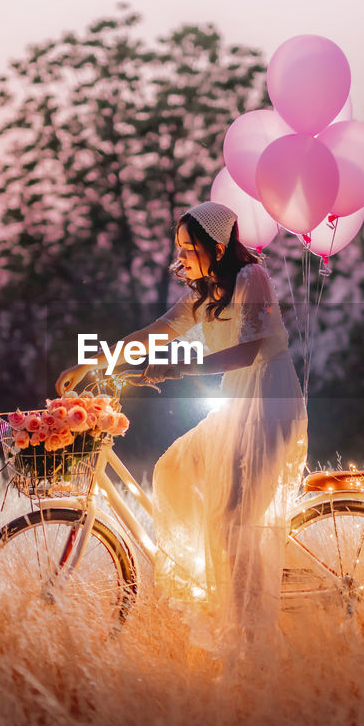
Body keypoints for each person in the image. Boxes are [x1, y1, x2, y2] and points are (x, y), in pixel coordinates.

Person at [55, 201, 307, 636]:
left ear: (219, 246)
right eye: (181, 248)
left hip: (267, 400)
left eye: (191, 248)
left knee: (235, 517)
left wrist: (175, 368)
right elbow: (157, 332)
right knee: (174, 470)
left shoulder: (252, 277)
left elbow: (247, 352)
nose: (183, 256)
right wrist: (94, 363)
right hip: (237, 402)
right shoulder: (204, 293)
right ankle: (210, 590)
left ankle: (246, 634)